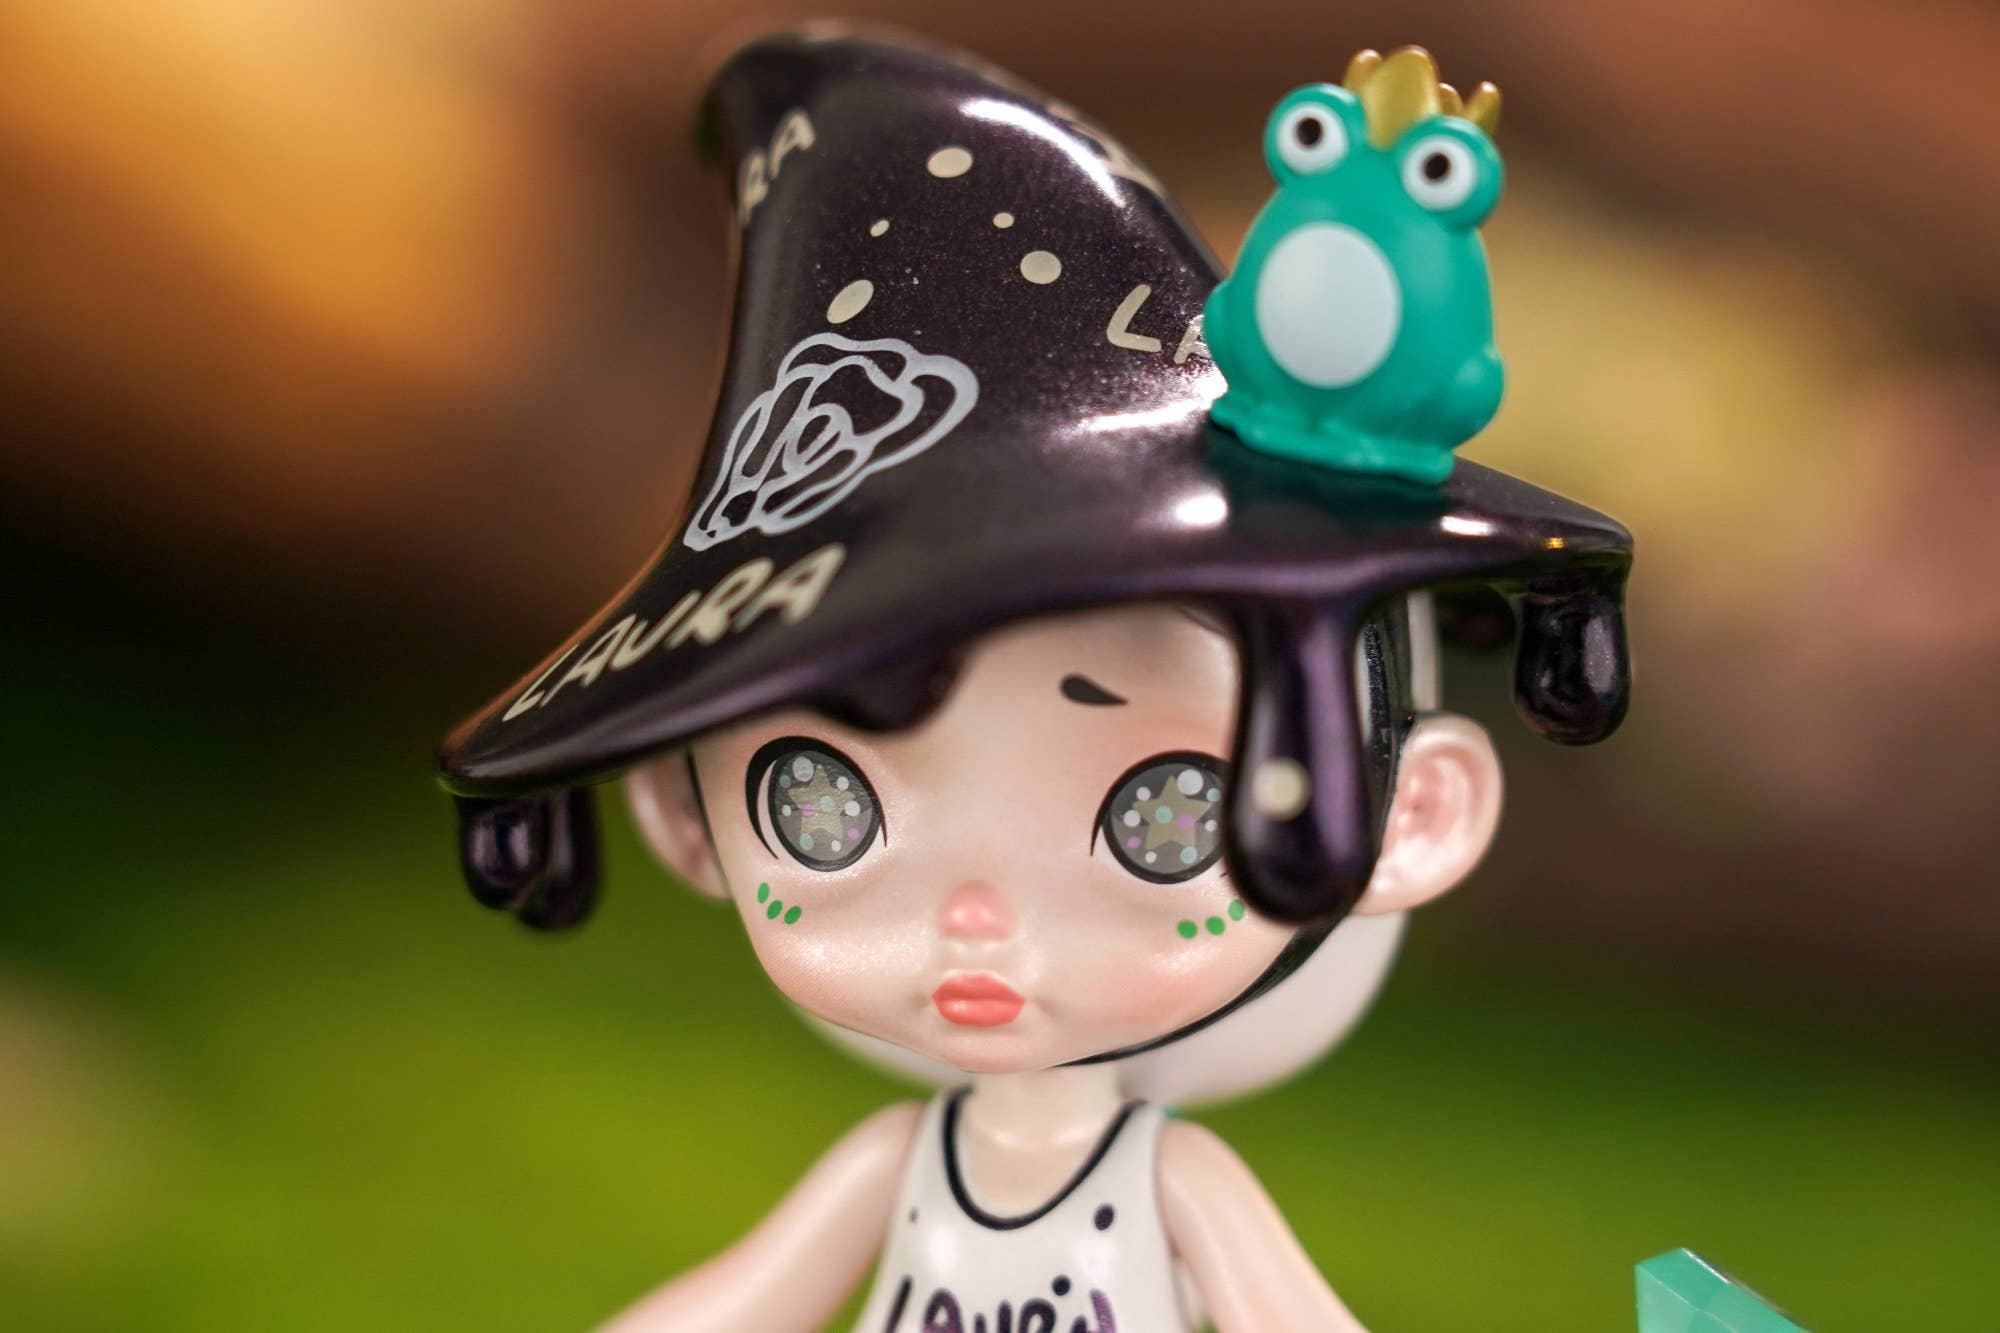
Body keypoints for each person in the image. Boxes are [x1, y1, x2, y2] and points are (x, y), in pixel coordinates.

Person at [439, 28, 1632, 1333]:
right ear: (686, 812)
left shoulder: (1169, 1182)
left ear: (1412, 816)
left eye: (1165, 814)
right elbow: (736, 1306)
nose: (976, 918)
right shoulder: (899, 1166)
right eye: (821, 808)